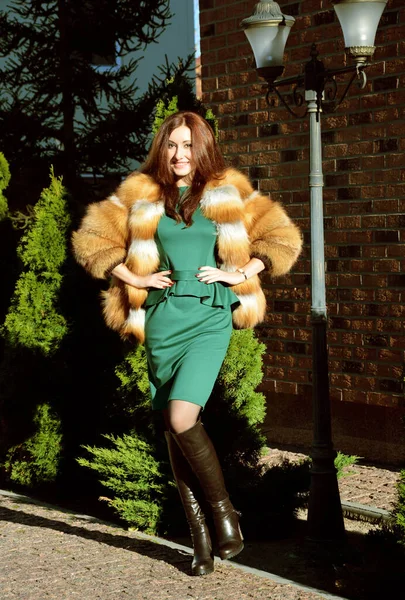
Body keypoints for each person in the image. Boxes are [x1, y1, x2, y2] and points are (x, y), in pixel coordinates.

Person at [72, 111, 302, 576]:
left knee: (181, 415)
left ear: (203, 147)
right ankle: (199, 539)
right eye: (172, 145)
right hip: (163, 317)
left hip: (210, 315)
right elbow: (91, 240)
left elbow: (280, 239)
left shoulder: (229, 190)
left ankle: (224, 513)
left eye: (187, 145)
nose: (179, 155)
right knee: (176, 429)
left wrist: (240, 272)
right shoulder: (141, 193)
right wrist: (133, 275)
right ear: (163, 148)